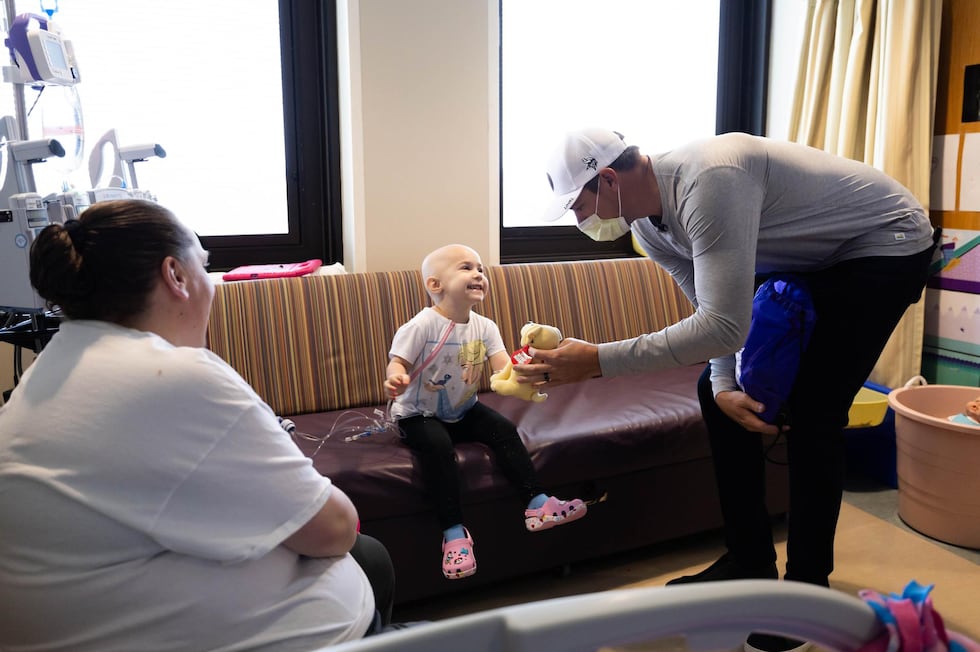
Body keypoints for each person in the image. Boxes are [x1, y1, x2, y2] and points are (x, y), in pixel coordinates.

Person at [520, 128, 937, 651]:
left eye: (578, 206)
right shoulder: (649, 229)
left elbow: (723, 328)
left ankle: (808, 590)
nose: (581, 221)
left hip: (884, 243)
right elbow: (713, 316)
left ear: (606, 180)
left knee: (812, 408)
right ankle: (750, 560)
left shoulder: (710, 181)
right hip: (814, 254)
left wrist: (597, 362)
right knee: (713, 392)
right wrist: (722, 385)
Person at [0, 199, 396, 651]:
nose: (211, 284)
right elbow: (338, 527)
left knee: (371, 558)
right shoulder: (175, 376)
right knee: (369, 555)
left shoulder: (49, 368)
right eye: (204, 265)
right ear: (176, 276)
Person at [384, 243, 587, 580]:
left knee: (505, 430)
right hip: (417, 414)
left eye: (480, 268)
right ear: (435, 285)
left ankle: (537, 504)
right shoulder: (421, 326)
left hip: (464, 409)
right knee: (437, 447)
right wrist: (396, 378)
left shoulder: (486, 327)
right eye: (466, 268)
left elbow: (502, 371)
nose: (478, 273)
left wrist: (529, 369)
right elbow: (398, 361)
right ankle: (453, 534)